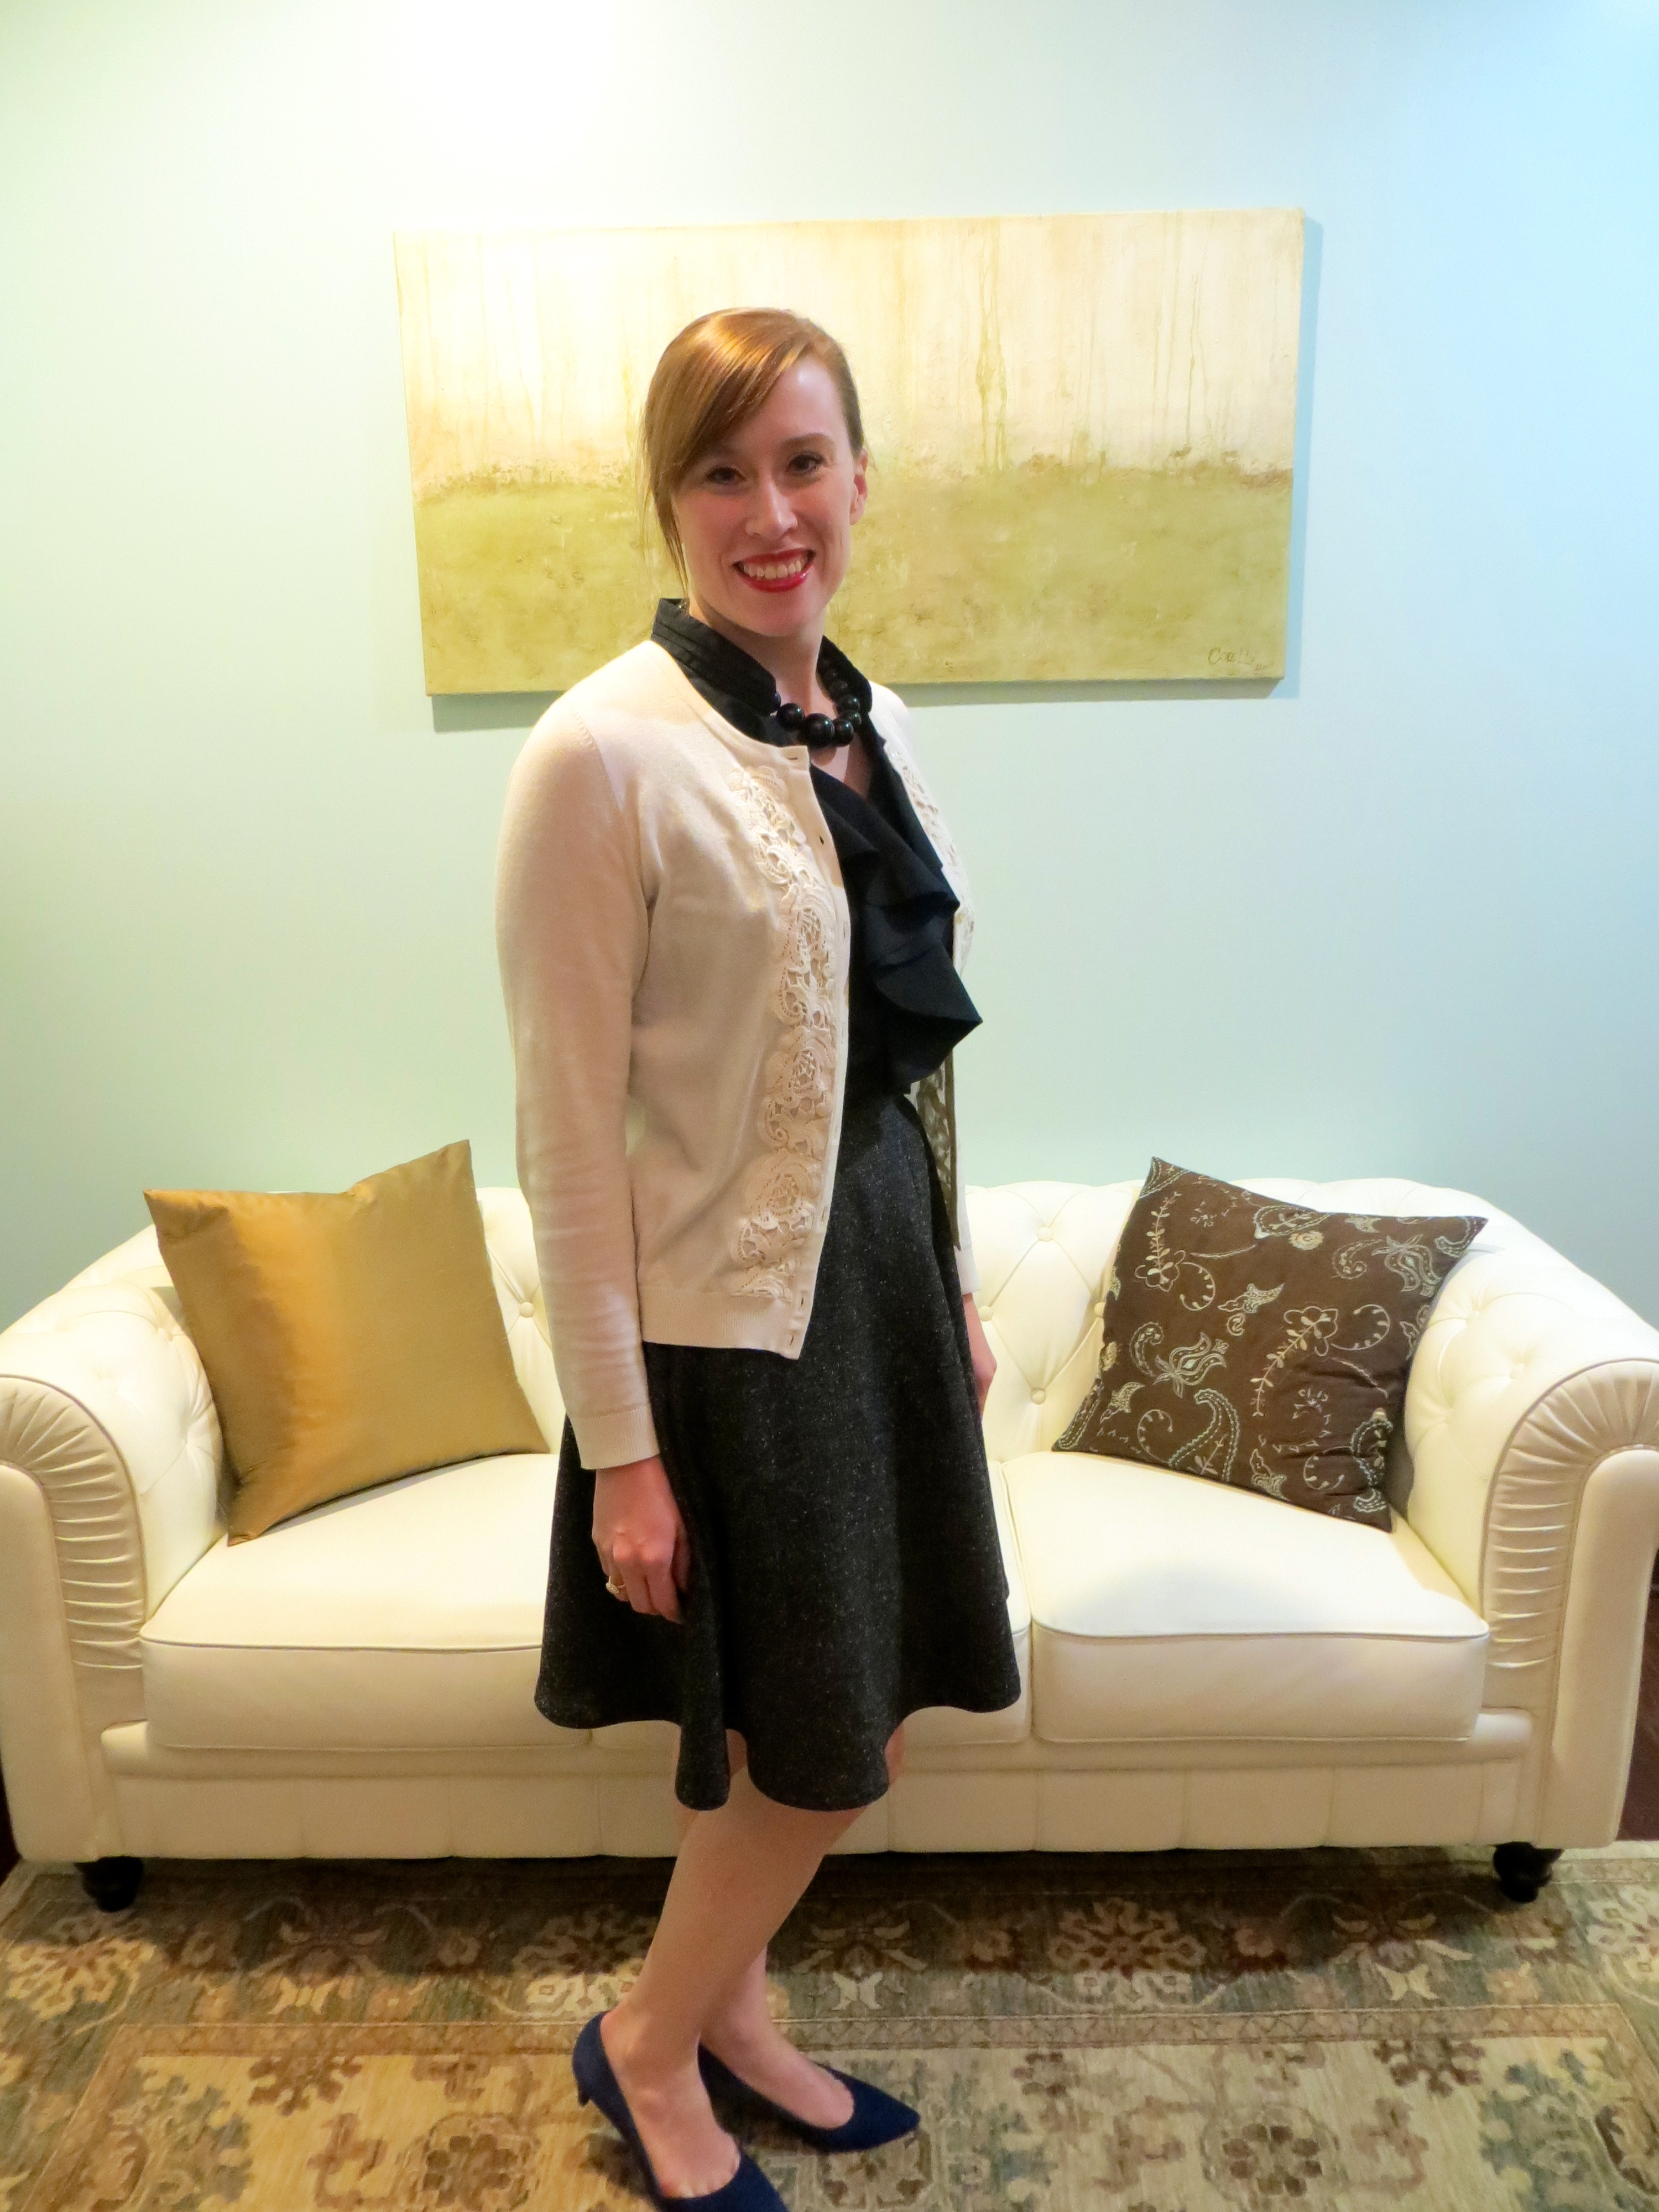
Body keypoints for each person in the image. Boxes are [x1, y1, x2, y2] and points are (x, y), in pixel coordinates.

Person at [494, 306, 1022, 2209]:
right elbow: (567, 1140)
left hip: (875, 1289)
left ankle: (728, 2018)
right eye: (723, 473)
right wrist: (623, 1454)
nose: (770, 511)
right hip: (729, 1333)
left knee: (847, 1710)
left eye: (802, 462)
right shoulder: (599, 756)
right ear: (671, 505)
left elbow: (908, 1050)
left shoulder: (878, 728)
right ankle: (648, 2044)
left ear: (861, 480)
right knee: (816, 1747)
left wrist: (950, 1279)